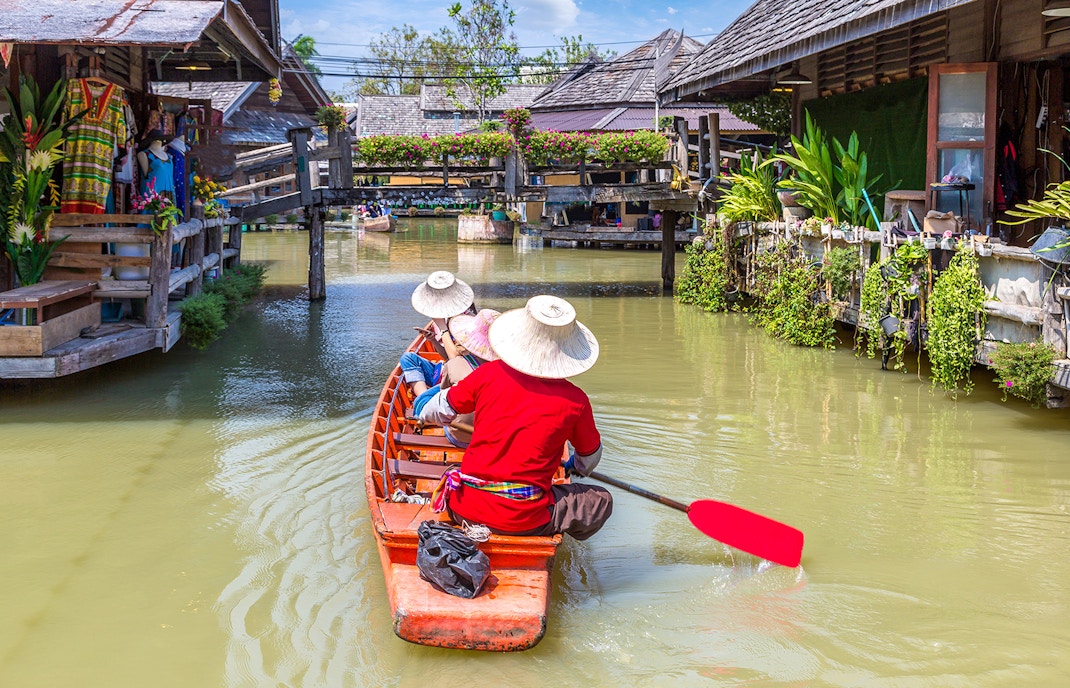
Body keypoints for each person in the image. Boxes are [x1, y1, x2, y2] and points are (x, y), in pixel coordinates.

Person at [422, 295, 613, 541]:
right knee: (601, 499)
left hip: (464, 510)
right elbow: (588, 461)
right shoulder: (575, 400)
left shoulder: (488, 374)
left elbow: (431, 411)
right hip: (524, 521)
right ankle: (550, 532)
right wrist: (574, 465)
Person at [414, 308, 500, 447]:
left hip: (461, 437)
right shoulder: (510, 371)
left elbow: (444, 400)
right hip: (494, 438)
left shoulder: (457, 363)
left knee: (421, 402)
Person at [399, 270, 475, 407]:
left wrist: (442, 327)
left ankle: (425, 402)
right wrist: (433, 340)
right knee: (407, 358)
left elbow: (456, 360)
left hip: (459, 377)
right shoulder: (443, 318)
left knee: (419, 404)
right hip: (444, 370)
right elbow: (446, 356)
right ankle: (424, 398)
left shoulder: (466, 321)